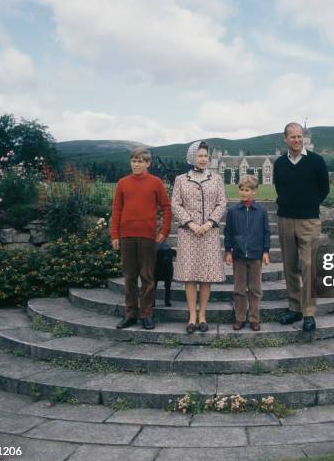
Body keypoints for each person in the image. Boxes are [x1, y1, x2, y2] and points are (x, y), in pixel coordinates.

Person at [273, 122, 329, 332]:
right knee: (289, 265)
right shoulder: (279, 164)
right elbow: (280, 188)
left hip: (309, 221)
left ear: (303, 138)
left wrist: (309, 204)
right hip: (286, 219)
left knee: (308, 265)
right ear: (285, 139)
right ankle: (294, 308)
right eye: (292, 137)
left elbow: (324, 188)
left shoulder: (316, 161)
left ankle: (309, 313)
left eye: (299, 136)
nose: (296, 140)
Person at [110, 147, 171, 330]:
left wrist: (164, 231)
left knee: (147, 277)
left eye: (140, 161)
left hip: (148, 237)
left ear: (148, 163)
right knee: (129, 277)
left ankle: (146, 315)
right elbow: (116, 210)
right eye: (133, 161)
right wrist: (114, 235)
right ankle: (130, 315)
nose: (136, 164)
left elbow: (166, 208)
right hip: (126, 236)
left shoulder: (155, 183)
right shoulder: (122, 183)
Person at [171, 141, 227, 333]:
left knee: (206, 276)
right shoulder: (180, 179)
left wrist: (210, 223)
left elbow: (222, 203)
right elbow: (176, 205)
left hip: (209, 233)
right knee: (189, 276)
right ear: (191, 157)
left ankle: (202, 314)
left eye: (206, 156)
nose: (204, 159)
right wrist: (192, 224)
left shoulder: (216, 179)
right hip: (188, 233)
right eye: (200, 156)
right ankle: (192, 316)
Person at [224, 174, 271, 331]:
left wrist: (265, 251)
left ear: (254, 191)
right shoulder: (232, 211)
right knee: (239, 289)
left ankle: (254, 318)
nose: (244, 192)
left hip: (256, 255)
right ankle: (240, 318)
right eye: (242, 189)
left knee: (255, 289)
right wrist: (228, 251)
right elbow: (228, 232)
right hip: (238, 256)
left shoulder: (261, 211)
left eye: (247, 190)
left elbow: (266, 232)